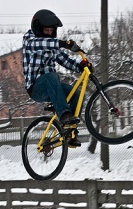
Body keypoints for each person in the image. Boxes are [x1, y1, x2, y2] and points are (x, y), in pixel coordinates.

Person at [22, 9, 90, 147]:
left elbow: (65, 60)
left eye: (51, 31)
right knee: (51, 76)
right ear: (38, 28)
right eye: (46, 30)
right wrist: (63, 43)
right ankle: (64, 115)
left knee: (76, 93)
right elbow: (38, 44)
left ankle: (70, 133)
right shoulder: (29, 39)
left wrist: (81, 66)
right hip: (36, 88)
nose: (49, 33)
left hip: (52, 87)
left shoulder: (52, 45)